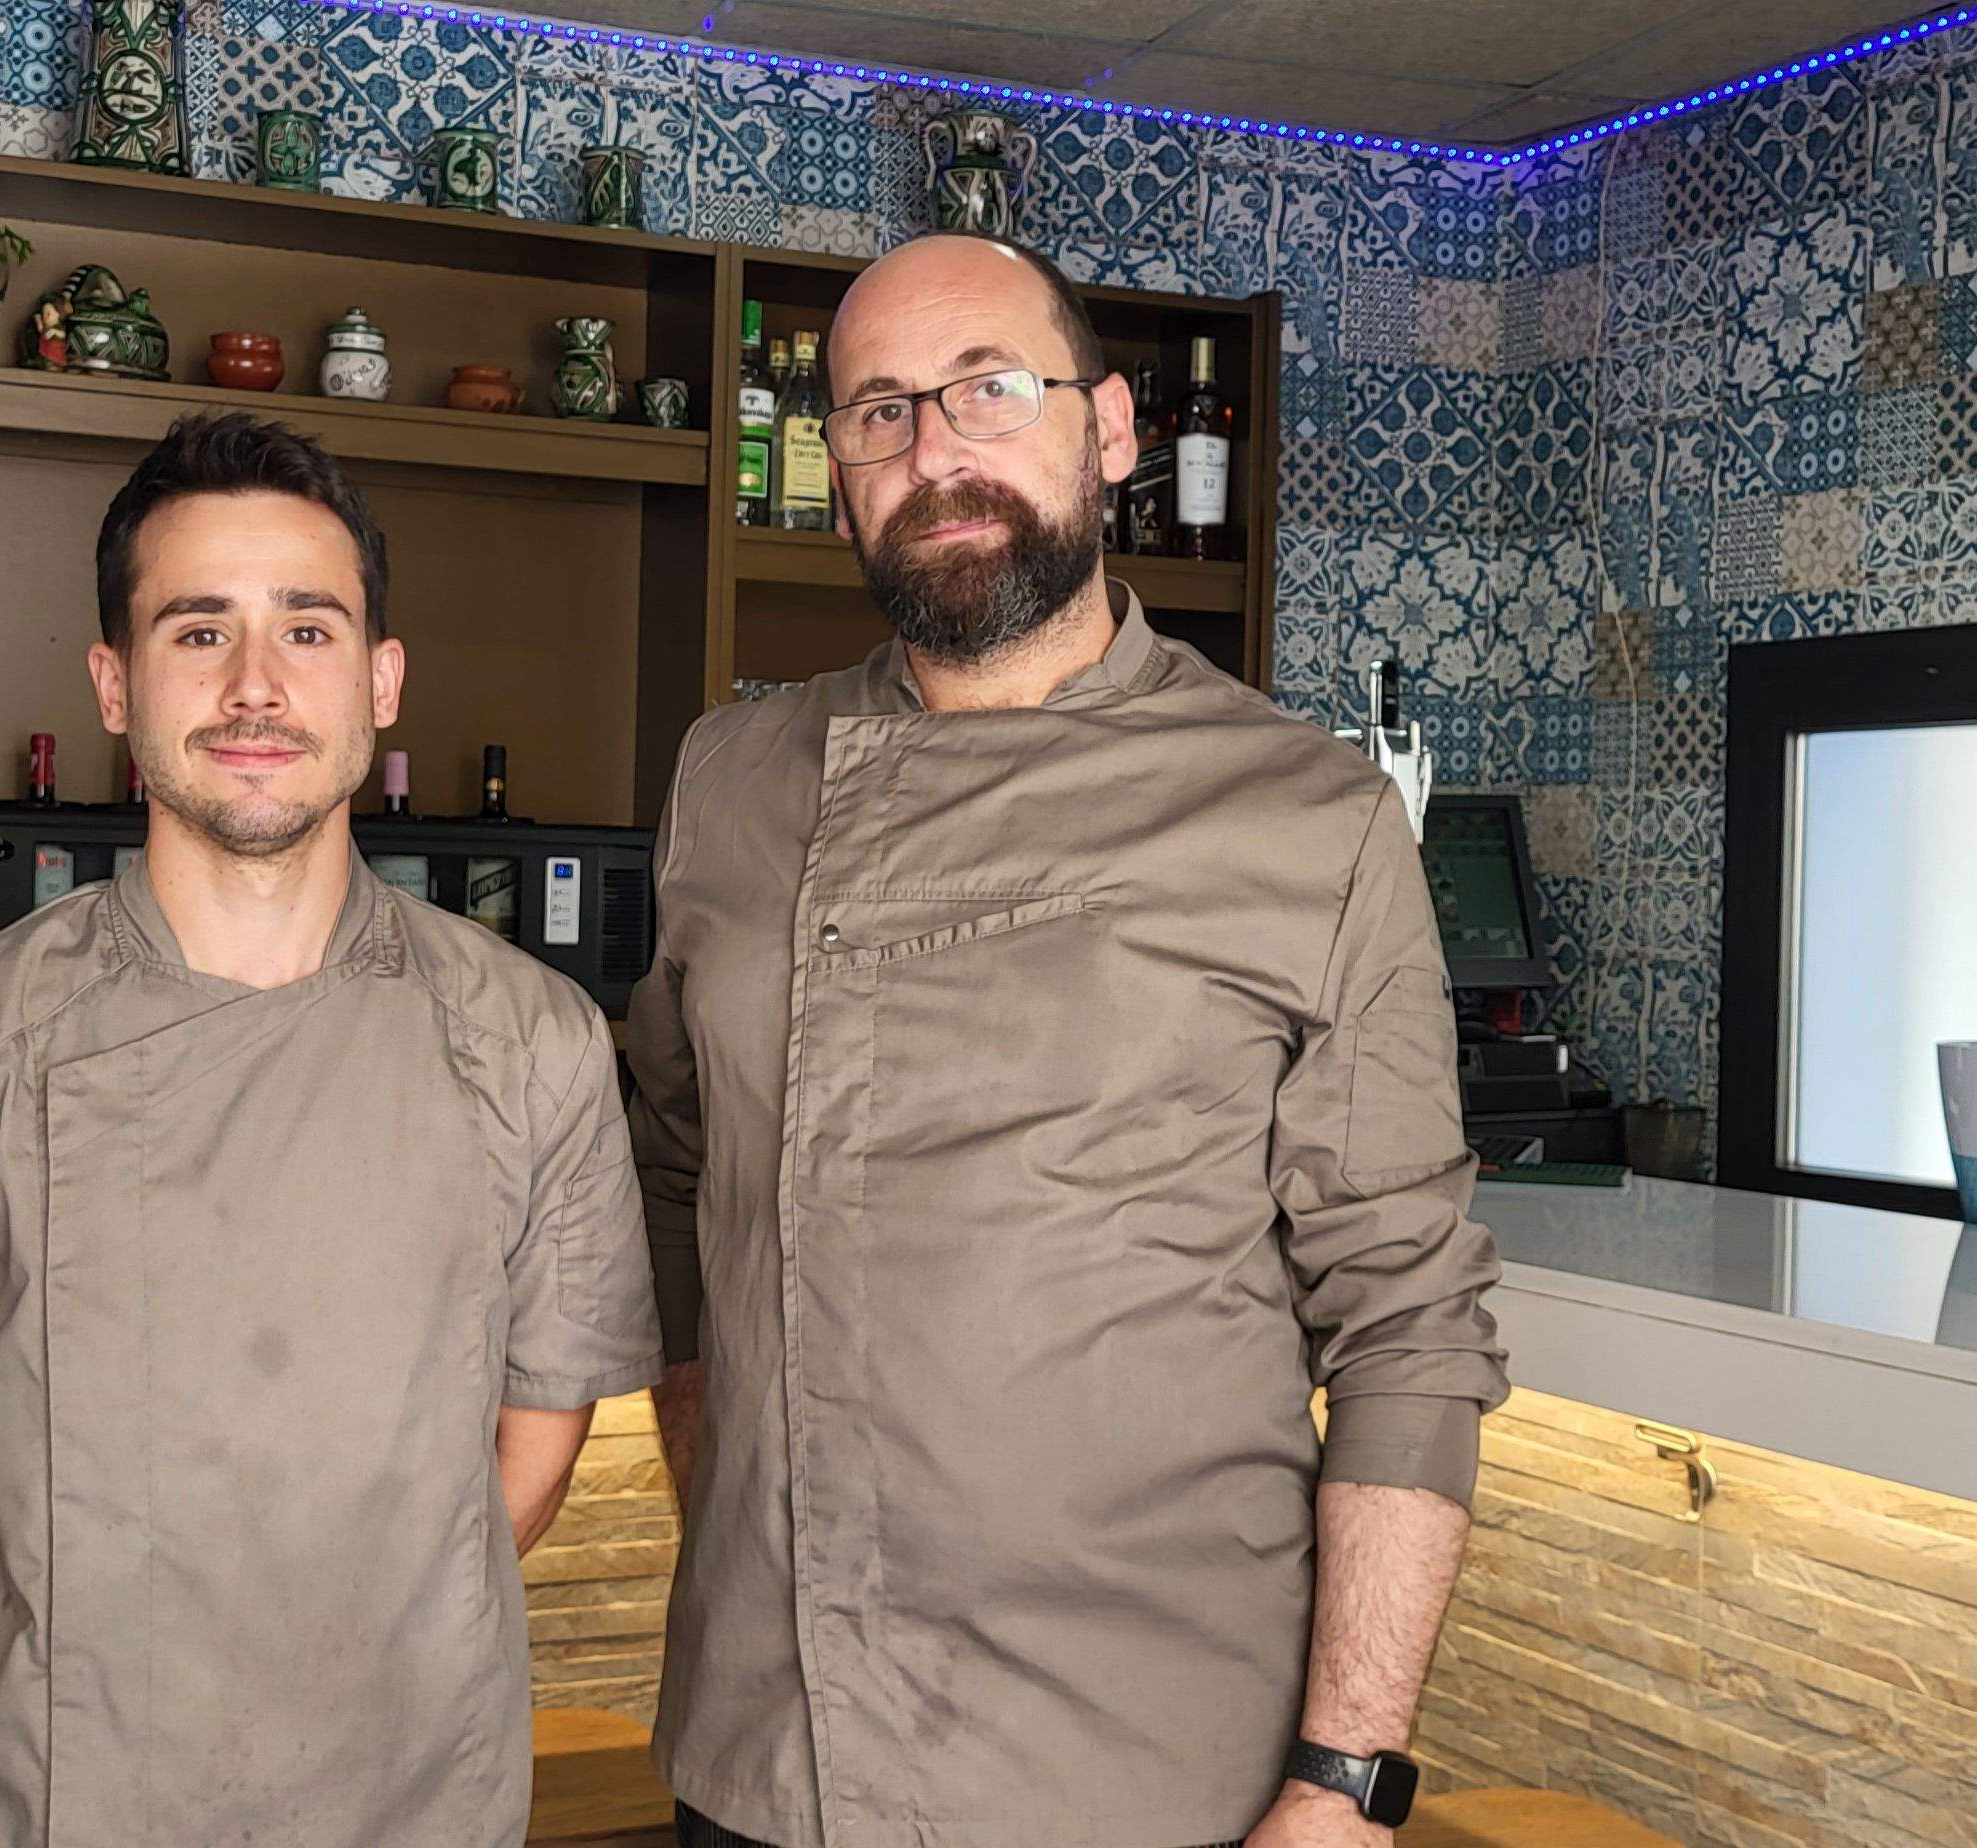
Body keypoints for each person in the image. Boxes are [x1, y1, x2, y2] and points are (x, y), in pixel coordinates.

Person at [624, 234, 1509, 1848]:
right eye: (880, 413)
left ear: (1109, 431)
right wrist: (739, 1517)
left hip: (1136, 1778)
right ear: (836, 476)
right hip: (764, 1764)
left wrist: (1347, 1783)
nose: (935, 453)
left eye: (990, 390)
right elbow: (677, 1187)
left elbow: (1408, 1326)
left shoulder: (1305, 817)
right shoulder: (729, 779)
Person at [0, 412, 661, 1844]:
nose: (255, 686)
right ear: (115, 684)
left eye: (308, 629)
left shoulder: (537, 1043)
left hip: (417, 1806)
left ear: (381, 680)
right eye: (199, 631)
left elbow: (524, 1470)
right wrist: (65, 1742)